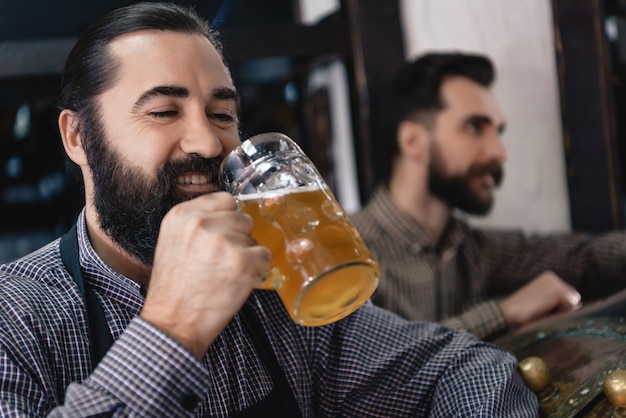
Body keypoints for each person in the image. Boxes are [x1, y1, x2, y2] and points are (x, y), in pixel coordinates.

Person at [0, 4, 538, 417]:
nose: (208, 144)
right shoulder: (17, 318)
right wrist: (172, 331)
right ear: (77, 136)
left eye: (222, 113)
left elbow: (464, 370)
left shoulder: (274, 292)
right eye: (164, 110)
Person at [350, 52, 626, 341]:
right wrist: (502, 313)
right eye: (474, 128)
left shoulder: (472, 250)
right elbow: (372, 368)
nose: (499, 152)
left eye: (497, 132)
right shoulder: (347, 253)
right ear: (412, 141)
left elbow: (586, 258)